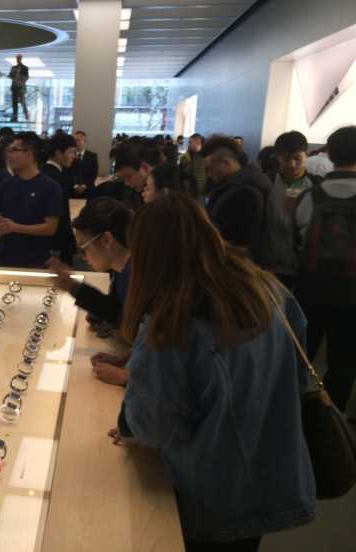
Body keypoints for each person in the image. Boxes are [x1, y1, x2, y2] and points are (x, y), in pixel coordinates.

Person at [111, 193, 316, 551]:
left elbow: (157, 427)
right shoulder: (269, 289)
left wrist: (130, 422)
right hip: (270, 472)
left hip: (208, 492)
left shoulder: (175, 321)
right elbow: (294, 380)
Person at [294, 125, 356, 413]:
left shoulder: (310, 195)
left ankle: (294, 410)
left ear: (329, 153)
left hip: (312, 291)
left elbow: (300, 237)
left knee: (301, 357)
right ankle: (334, 420)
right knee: (344, 362)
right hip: (352, 298)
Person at [47, 197, 132, 386]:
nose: (83, 257)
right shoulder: (125, 271)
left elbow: (162, 338)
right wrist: (124, 358)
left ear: (107, 240)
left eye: (83, 248)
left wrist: (129, 376)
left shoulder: (132, 275)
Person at [259, 131, 320, 287]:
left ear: (306, 154)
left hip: (298, 266)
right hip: (267, 264)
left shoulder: (316, 186)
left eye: (297, 158)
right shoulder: (267, 183)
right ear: (278, 157)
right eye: (286, 159)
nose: (292, 164)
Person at [0, 131, 62, 267]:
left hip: (35, 260)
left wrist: (16, 227)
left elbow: (50, 227)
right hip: (4, 257)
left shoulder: (50, 187)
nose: (9, 156)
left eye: (13, 151)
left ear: (28, 154)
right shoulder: (6, 184)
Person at [202, 134, 271, 262]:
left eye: (211, 169)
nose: (209, 175)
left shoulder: (246, 193)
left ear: (226, 163)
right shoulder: (229, 186)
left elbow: (243, 242)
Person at [41, 131, 77, 265]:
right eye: (71, 152)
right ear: (58, 153)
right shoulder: (57, 179)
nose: (73, 156)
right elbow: (61, 217)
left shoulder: (42, 172)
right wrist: (56, 250)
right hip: (58, 245)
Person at [65, 130, 99, 198]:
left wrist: (84, 186)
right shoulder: (68, 155)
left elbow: (94, 173)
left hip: (88, 189)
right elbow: (66, 173)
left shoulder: (92, 156)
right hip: (71, 190)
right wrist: (75, 186)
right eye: (74, 140)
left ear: (84, 142)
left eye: (78, 140)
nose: (75, 143)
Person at [8, 54, 29, 122]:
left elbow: (26, 77)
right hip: (14, 87)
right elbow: (10, 76)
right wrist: (13, 71)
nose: (18, 60)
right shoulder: (14, 67)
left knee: (22, 101)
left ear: (21, 59)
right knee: (14, 102)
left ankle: (26, 114)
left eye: (19, 58)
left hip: (21, 87)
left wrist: (22, 81)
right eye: (17, 58)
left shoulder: (25, 68)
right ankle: (15, 116)